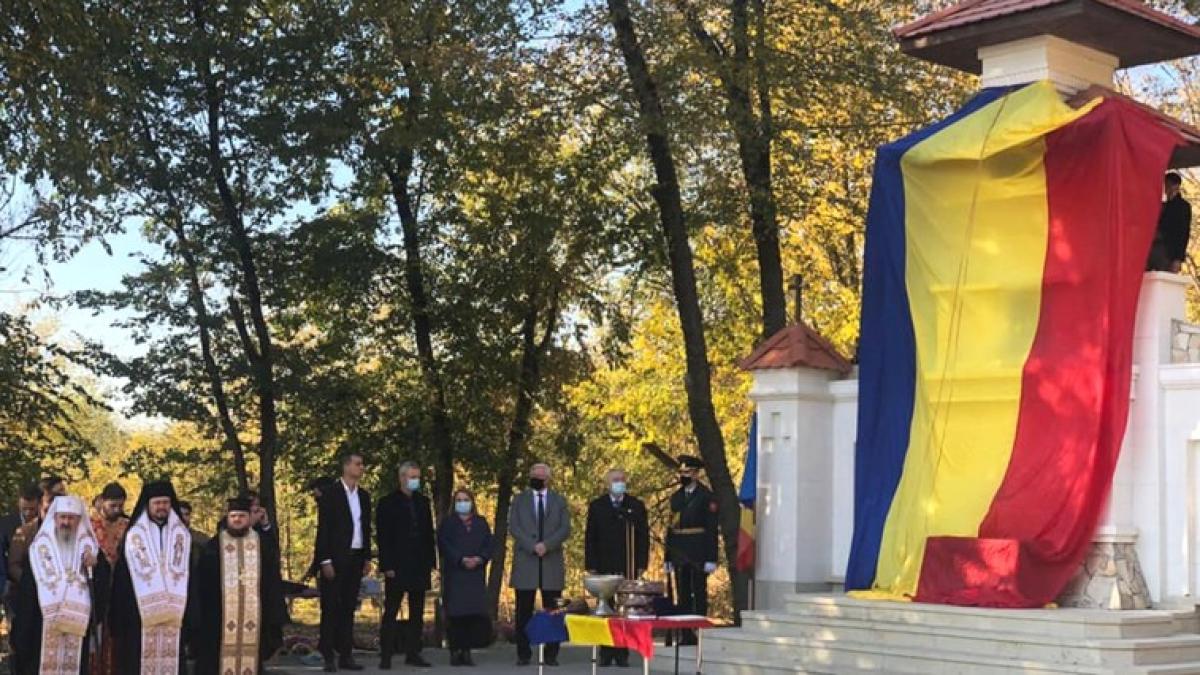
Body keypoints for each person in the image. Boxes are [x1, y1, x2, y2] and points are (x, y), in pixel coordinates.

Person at [11, 495, 107, 675]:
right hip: (42, 624)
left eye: (71, 518)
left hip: (77, 627)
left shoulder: (91, 549)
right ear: (54, 518)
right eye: (62, 517)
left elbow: (102, 588)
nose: (66, 522)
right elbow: (27, 592)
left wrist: (97, 567)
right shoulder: (38, 550)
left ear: (79, 520)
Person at [189, 496, 286, 675]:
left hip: (254, 615)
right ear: (227, 518)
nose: (237, 520)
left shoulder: (261, 544)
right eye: (233, 516)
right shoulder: (214, 546)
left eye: (241, 516)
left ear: (249, 518)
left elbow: (271, 580)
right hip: (219, 617)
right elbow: (203, 584)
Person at [108, 481, 191, 675]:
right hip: (139, 615)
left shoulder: (182, 535)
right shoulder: (133, 536)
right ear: (148, 505)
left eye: (165, 503)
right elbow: (122, 580)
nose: (162, 507)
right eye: (157, 503)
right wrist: (118, 617)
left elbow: (191, 578)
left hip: (175, 614)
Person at [585, 468, 649, 667]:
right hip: (604, 564)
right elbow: (590, 537)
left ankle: (622, 652)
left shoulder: (635, 505)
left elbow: (643, 537)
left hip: (627, 563)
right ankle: (605, 651)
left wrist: (641, 564)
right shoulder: (597, 506)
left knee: (624, 610)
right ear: (608, 483)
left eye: (622, 479)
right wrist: (591, 564)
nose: (619, 483)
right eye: (615, 480)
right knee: (606, 609)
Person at [315, 452, 372, 672]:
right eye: (358, 464)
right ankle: (327, 654)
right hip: (335, 557)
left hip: (356, 556)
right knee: (330, 607)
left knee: (348, 607)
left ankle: (346, 654)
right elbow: (324, 529)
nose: (361, 468)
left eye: (362, 464)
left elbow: (365, 528)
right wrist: (325, 560)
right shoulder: (331, 494)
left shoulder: (363, 496)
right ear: (346, 466)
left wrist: (367, 557)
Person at [509, 463, 570, 667]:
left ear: (548, 479)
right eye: (534, 475)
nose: (537, 478)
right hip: (526, 561)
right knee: (523, 611)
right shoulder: (519, 500)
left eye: (541, 476)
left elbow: (565, 528)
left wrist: (547, 545)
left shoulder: (559, 501)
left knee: (554, 610)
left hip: (551, 562)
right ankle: (523, 653)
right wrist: (532, 545)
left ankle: (551, 654)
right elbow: (514, 527)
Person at [376, 461, 436, 669]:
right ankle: (386, 654)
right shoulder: (387, 503)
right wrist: (387, 565)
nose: (415, 481)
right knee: (392, 609)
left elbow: (428, 533)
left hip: (419, 564)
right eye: (412, 477)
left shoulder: (423, 502)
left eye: (417, 477)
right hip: (397, 564)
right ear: (402, 478)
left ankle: (413, 652)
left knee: (417, 610)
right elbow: (383, 536)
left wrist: (431, 561)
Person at [665, 456, 719, 645]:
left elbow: (711, 529)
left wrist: (712, 557)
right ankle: (685, 633)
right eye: (682, 472)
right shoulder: (677, 497)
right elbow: (671, 528)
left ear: (696, 474)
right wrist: (668, 557)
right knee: (683, 594)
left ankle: (699, 631)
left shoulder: (706, 496)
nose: (683, 476)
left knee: (699, 592)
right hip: (680, 551)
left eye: (687, 472)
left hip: (698, 551)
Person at [438, 489, 492, 667]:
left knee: (471, 615)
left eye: (466, 499)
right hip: (456, 573)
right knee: (456, 615)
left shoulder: (481, 523)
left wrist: (479, 558)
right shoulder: (448, 523)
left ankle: (467, 651)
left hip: (475, 574)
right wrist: (460, 559)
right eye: (459, 500)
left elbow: (488, 544)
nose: (463, 503)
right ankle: (455, 651)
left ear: (472, 502)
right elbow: (444, 544)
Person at [89, 482, 129, 675]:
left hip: (120, 590)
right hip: (97, 589)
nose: (117, 510)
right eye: (113, 505)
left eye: (120, 506)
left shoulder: (128, 526)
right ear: (102, 501)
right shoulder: (89, 526)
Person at [1148, 172, 1193, 273]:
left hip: (1169, 253)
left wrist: (1178, 258)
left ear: (1176, 186)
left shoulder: (1183, 206)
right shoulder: (1162, 206)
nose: (1166, 188)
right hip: (1154, 249)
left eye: (1169, 184)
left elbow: (1184, 233)